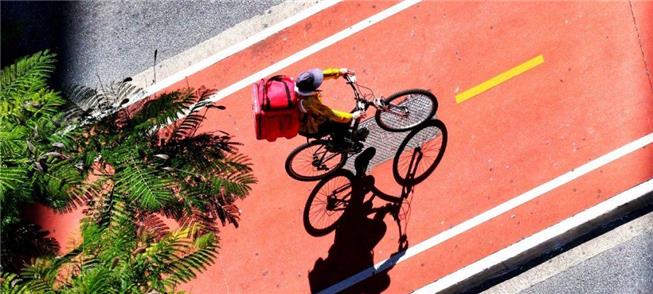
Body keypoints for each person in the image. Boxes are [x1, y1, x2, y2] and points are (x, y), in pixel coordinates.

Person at [295, 67, 367, 150]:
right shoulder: (309, 101)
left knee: (341, 121)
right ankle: (338, 145)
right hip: (311, 127)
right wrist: (352, 116)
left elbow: (321, 76)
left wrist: (339, 72)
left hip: (310, 117)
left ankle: (342, 135)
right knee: (343, 122)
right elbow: (330, 114)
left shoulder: (298, 86)